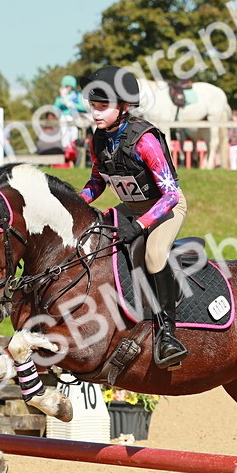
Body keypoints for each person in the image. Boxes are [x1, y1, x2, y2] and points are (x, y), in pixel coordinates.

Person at [79, 65, 188, 369]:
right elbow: (97, 183)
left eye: (103, 107)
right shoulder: (98, 139)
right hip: (129, 206)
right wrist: (75, 204)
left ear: (124, 107)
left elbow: (169, 194)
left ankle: (168, 334)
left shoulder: (145, 140)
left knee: (153, 255)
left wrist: (140, 226)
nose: (96, 114)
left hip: (165, 207)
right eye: (93, 106)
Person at [53, 75, 87, 164]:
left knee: (74, 136)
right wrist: (62, 98)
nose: (65, 88)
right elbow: (55, 109)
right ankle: (67, 154)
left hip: (75, 117)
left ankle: (74, 154)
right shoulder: (60, 97)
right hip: (64, 118)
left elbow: (83, 107)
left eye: (67, 86)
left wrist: (71, 104)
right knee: (65, 136)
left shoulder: (77, 95)